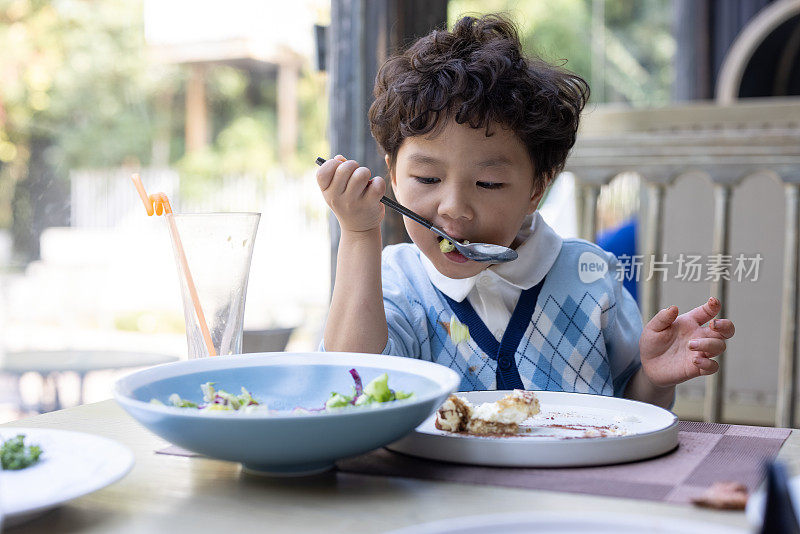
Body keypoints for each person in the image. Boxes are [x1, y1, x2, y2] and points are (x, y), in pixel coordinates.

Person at [315, 14, 734, 409]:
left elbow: (630, 412)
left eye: (489, 184)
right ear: (392, 171)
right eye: (426, 179)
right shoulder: (395, 282)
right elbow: (353, 385)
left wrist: (655, 379)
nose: (455, 209)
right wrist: (357, 235)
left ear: (538, 187)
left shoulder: (591, 276)